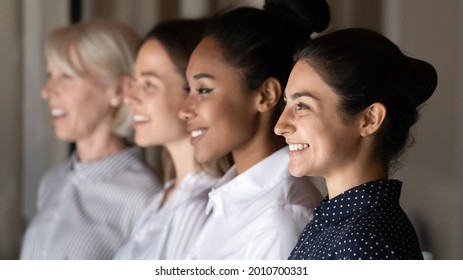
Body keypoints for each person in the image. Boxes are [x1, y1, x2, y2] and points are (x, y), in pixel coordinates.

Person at [179, 0, 330, 259]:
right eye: (188, 90)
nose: (185, 109)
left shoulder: (279, 221)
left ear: (265, 95)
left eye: (203, 90)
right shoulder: (229, 199)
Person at [275, 28, 438, 260]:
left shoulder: (364, 242)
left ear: (369, 119)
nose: (280, 126)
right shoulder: (336, 223)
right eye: (287, 104)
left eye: (302, 106)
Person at [20, 19, 161, 260]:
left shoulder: (145, 196)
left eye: (66, 75)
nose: (46, 91)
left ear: (119, 90)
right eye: (50, 74)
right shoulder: (52, 181)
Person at [113, 18, 230, 260]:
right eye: (135, 82)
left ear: (194, 89)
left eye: (148, 84)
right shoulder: (163, 197)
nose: (130, 98)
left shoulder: (200, 206)